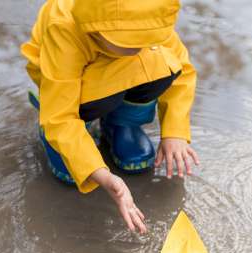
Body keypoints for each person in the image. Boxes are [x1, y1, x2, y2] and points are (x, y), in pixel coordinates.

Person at [20, 0, 200, 234]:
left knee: (162, 63)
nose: (141, 48)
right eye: (130, 42)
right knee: (71, 165)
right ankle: (62, 137)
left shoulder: (149, 14)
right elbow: (61, 115)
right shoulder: (64, 28)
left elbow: (182, 70)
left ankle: (123, 123)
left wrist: (175, 131)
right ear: (96, 29)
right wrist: (101, 174)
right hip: (64, 81)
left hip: (111, 74)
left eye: (148, 39)